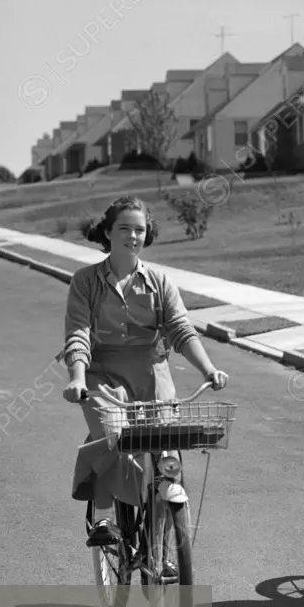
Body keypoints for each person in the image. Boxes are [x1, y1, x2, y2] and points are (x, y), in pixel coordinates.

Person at [62, 195, 228, 546]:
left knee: (166, 451)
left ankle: (161, 548)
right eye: (124, 228)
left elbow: (182, 330)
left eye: (139, 230)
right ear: (107, 232)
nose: (132, 236)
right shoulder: (85, 281)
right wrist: (77, 378)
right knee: (113, 435)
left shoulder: (159, 281)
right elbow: (78, 334)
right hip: (101, 375)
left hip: (153, 374)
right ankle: (104, 516)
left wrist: (208, 369)